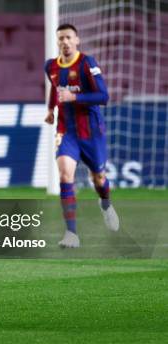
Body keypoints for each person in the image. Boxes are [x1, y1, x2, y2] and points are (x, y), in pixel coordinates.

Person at [44, 23, 119, 248]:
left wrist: (74, 98)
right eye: (60, 39)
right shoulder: (51, 66)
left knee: (99, 179)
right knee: (66, 175)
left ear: (77, 40)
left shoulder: (87, 63)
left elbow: (103, 96)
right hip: (66, 131)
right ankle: (71, 234)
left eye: (68, 37)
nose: (64, 42)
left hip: (91, 132)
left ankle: (105, 204)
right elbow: (55, 87)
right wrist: (50, 109)